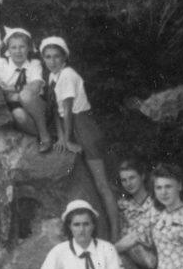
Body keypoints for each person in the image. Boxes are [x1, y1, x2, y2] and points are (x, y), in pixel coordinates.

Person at [40, 36, 122, 239]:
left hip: (82, 126)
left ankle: (116, 233)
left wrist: (67, 140)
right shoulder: (52, 76)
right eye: (48, 57)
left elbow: (68, 110)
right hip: (69, 126)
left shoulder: (68, 75)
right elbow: (56, 110)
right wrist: (62, 137)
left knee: (102, 184)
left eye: (56, 56)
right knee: (89, 182)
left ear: (64, 57)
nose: (52, 61)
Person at [115, 157, 160, 269]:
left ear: (142, 176)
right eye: (124, 180)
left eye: (132, 178)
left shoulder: (157, 203)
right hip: (132, 264)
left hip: (159, 261)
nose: (128, 183)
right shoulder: (122, 206)